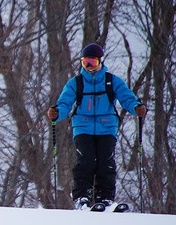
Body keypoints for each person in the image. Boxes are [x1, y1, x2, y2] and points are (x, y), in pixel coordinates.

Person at [47, 43, 146, 209]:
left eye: (92, 62)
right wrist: (57, 112)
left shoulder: (111, 81)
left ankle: (105, 199)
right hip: (82, 127)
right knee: (85, 160)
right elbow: (64, 103)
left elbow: (127, 98)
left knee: (105, 162)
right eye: (85, 62)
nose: (89, 67)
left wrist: (137, 108)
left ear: (100, 62)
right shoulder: (76, 83)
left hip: (106, 127)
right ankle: (81, 198)